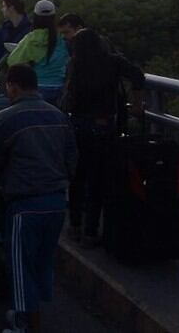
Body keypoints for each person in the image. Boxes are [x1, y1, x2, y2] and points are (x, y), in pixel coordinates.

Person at [0, 64, 77, 333]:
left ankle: (24, 324)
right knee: (42, 262)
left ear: (13, 85)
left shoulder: (7, 118)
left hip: (24, 204)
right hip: (57, 203)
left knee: (19, 266)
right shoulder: (59, 116)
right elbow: (72, 160)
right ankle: (33, 313)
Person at [61, 28, 145, 248]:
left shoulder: (74, 65)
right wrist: (136, 103)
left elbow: (69, 97)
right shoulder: (113, 62)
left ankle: (75, 225)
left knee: (77, 178)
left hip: (77, 126)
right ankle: (91, 232)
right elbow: (138, 75)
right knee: (98, 180)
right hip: (103, 127)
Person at [0, 0, 69, 106]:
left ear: (35, 17)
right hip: (59, 89)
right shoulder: (62, 39)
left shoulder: (31, 39)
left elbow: (13, 61)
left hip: (38, 88)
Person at [0, 0, 32, 64]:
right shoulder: (4, 29)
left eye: (4, 6)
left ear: (11, 8)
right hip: (3, 70)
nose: (2, 9)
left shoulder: (30, 30)